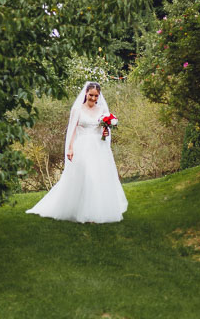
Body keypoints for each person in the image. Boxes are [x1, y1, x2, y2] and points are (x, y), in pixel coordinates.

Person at [26, 81, 128, 223]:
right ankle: (84, 212)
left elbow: (103, 130)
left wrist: (106, 129)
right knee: (88, 176)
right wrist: (70, 148)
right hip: (83, 146)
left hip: (99, 147)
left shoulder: (102, 110)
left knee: (99, 177)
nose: (93, 98)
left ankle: (98, 211)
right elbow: (72, 130)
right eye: (91, 95)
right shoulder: (77, 109)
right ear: (86, 93)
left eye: (96, 96)